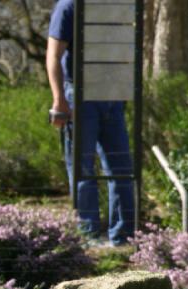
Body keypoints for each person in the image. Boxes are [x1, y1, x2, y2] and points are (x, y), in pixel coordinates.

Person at [46, 0, 134, 247]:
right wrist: (59, 99)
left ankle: (123, 236)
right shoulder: (69, 7)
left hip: (112, 96)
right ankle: (89, 236)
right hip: (79, 96)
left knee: (122, 169)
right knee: (82, 170)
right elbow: (53, 55)